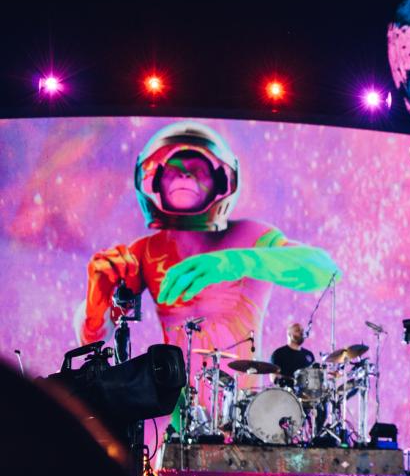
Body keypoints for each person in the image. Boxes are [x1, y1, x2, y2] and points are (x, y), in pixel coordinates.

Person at [80, 122, 340, 436]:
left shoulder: (251, 235)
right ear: (155, 182)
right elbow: (94, 340)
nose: (185, 178)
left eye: (197, 171)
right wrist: (97, 299)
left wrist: (237, 261)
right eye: (174, 171)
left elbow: (325, 270)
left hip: (244, 406)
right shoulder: (146, 250)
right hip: (174, 406)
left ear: (220, 182)